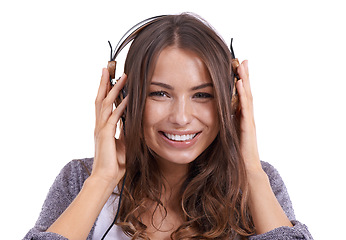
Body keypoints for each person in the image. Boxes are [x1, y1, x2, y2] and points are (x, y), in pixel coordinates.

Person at [23, 13, 313, 240]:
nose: (182, 117)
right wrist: (101, 180)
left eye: (203, 95)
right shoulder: (79, 180)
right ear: (124, 98)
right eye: (160, 93)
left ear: (233, 102)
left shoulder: (258, 182)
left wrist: (249, 169)